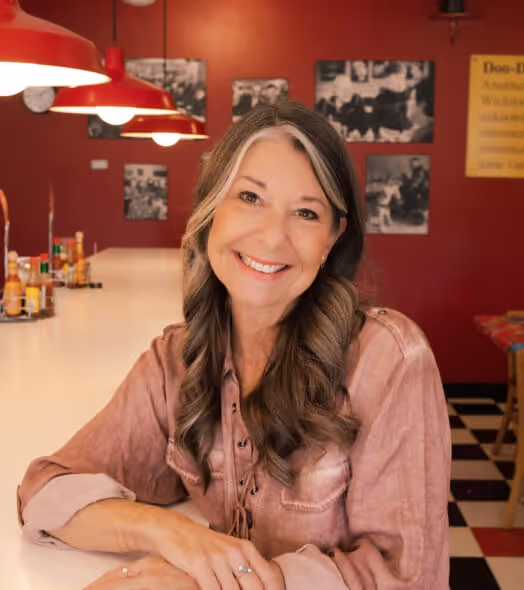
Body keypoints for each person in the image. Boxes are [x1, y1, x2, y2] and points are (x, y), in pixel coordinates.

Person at [17, 101, 451, 590]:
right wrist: (171, 534)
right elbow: (45, 493)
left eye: (306, 212)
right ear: (210, 211)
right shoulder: (177, 361)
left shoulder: (388, 359)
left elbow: (410, 578)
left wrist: (207, 582)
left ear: (332, 238)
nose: (271, 236)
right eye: (249, 197)